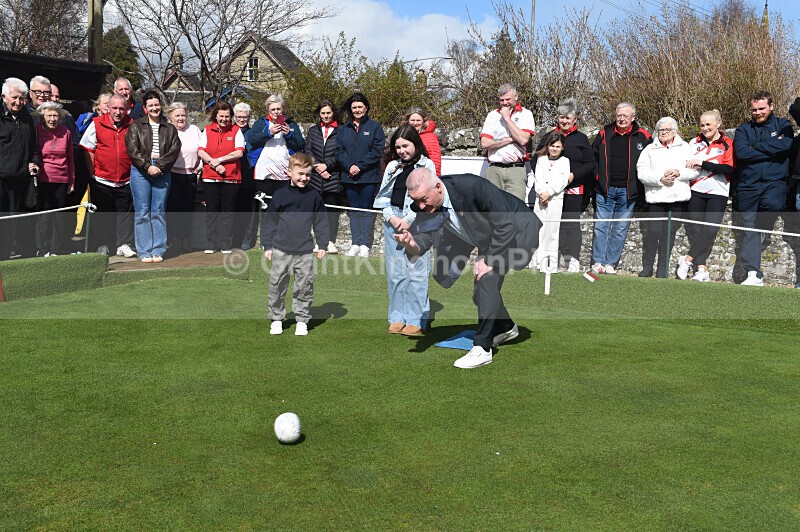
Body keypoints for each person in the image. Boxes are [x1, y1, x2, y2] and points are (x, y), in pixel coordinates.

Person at [395, 169, 541, 369]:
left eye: (423, 199)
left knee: (487, 279)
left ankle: (482, 348)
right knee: (480, 296)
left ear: (438, 187)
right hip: (489, 237)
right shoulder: (426, 203)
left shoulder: (472, 186)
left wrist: (489, 259)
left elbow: (506, 224)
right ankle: (507, 328)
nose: (420, 206)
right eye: (416, 201)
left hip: (517, 229)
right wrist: (410, 244)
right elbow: (423, 239)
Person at [373, 125, 435, 336]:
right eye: (398, 147)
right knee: (396, 272)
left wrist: (407, 220)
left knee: (416, 271)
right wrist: (392, 217)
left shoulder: (427, 165)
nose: (401, 151)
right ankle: (397, 316)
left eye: (405, 146)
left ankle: (416, 318)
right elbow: (383, 197)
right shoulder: (392, 166)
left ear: (416, 144)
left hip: (418, 222)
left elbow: (427, 198)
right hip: (393, 221)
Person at [264, 153, 329, 337]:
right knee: (277, 285)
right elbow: (270, 221)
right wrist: (267, 246)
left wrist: (322, 244)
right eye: (300, 174)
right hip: (280, 249)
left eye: (308, 174)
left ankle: (302, 320)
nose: (304, 178)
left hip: (305, 251)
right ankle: (276, 319)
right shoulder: (280, 195)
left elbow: (321, 222)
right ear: (289, 172)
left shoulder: (314, 196)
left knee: (304, 286)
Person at [733, 90, 794, 286]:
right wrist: (770, 148)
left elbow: (785, 146)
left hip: (774, 183)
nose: (758, 112)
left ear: (771, 106)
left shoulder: (783, 125)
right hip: (748, 185)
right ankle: (753, 274)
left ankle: (764, 230)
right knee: (749, 227)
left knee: (772, 206)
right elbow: (741, 154)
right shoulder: (743, 130)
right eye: (754, 109)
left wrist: (755, 148)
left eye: (761, 108)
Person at [533, 98, 596, 272]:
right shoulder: (549, 137)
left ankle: (573, 259)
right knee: (546, 224)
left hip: (572, 188)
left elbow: (590, 164)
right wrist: (544, 188)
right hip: (548, 193)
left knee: (570, 224)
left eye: (568, 118)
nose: (565, 121)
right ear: (557, 119)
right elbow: (536, 160)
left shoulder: (582, 139)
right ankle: (543, 258)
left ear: (574, 120)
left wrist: (573, 175)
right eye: (562, 117)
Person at [591, 102, 652, 274]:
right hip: (605, 189)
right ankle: (598, 262)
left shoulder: (643, 136)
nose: (622, 118)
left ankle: (610, 263)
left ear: (633, 117)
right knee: (601, 227)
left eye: (626, 115)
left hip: (628, 191)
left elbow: (652, 160)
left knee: (620, 228)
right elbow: (592, 157)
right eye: (619, 115)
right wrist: (598, 177)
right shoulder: (604, 133)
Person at [636, 117, 699, 278]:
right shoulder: (649, 149)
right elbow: (642, 172)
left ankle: (662, 269)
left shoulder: (685, 147)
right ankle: (647, 267)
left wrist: (679, 172)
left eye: (667, 130)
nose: (663, 133)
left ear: (675, 132)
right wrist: (659, 179)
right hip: (656, 198)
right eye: (660, 130)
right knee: (653, 232)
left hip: (677, 199)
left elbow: (694, 171)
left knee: (669, 234)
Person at [678, 110, 735, 282]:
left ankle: (687, 259)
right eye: (702, 125)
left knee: (710, 229)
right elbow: (686, 167)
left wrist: (702, 164)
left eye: (708, 124)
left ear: (718, 123)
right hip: (696, 191)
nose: (705, 128)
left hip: (718, 192)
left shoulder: (728, 143)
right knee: (697, 231)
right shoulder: (693, 143)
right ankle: (701, 269)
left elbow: (729, 169)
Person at [125, 90, 181, 263]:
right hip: (141, 171)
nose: (155, 108)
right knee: (142, 211)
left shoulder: (169, 128)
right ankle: (144, 250)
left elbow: (174, 150)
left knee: (158, 211)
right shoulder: (135, 126)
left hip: (162, 172)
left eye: (157, 105)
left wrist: (159, 167)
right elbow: (132, 149)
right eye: (151, 105)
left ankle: (158, 249)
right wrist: (147, 166)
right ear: (145, 108)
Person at [79, 94, 136, 257]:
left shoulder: (132, 125)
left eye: (121, 109)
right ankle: (103, 244)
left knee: (124, 214)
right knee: (103, 215)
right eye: (115, 108)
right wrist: (93, 173)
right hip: (101, 179)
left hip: (126, 179)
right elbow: (88, 149)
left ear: (127, 109)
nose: (118, 112)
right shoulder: (96, 124)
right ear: (108, 108)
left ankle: (123, 244)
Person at [335, 92, 385, 257]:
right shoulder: (343, 129)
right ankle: (355, 243)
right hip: (349, 176)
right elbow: (339, 150)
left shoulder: (375, 127)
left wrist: (360, 166)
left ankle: (365, 244)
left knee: (366, 209)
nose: (357, 110)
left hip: (369, 176)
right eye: (354, 107)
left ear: (366, 108)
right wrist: (349, 166)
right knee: (353, 210)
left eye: (360, 107)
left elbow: (377, 151)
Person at [197, 101, 245, 254]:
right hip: (210, 177)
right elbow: (201, 151)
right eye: (221, 116)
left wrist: (221, 160)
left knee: (227, 212)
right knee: (211, 211)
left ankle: (226, 244)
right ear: (215, 117)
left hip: (230, 178)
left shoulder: (236, 131)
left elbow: (239, 152)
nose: (224, 119)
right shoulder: (207, 130)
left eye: (227, 116)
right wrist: (214, 163)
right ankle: (211, 243)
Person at [0, 77, 39, 261]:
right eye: (14, 98)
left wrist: (34, 161)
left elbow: (33, 145)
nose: (18, 102)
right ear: (3, 96)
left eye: (22, 98)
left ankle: (6, 259)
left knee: (11, 223)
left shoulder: (26, 117)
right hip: (1, 179)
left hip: (19, 180)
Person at [479, 82, 536, 201]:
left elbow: (523, 139)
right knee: (493, 209)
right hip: (494, 169)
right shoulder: (492, 115)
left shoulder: (526, 114)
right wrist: (509, 140)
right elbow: (485, 143)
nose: (505, 103)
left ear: (516, 96)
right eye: (501, 100)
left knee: (515, 209)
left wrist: (507, 119)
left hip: (516, 169)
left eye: (508, 99)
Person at [246, 95, 305, 204]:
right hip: (263, 170)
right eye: (273, 109)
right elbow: (252, 140)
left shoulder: (291, 124)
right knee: (265, 204)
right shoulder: (261, 122)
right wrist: (269, 133)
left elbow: (300, 144)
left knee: (282, 203)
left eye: (278, 109)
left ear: (283, 109)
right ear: (268, 110)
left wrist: (289, 135)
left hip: (284, 170)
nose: (276, 112)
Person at [35, 102, 75, 256]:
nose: (52, 119)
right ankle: (43, 248)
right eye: (49, 115)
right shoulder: (37, 131)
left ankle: (56, 248)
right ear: (43, 117)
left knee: (59, 216)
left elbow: (70, 158)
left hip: (61, 178)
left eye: (55, 115)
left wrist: (71, 180)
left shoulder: (66, 132)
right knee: (44, 214)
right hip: (43, 178)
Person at [306, 99, 343, 254]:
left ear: (333, 112)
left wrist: (327, 165)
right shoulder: (313, 130)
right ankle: (318, 241)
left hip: (333, 177)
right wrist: (318, 167)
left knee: (331, 212)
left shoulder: (341, 130)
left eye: (328, 112)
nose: (326, 116)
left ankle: (330, 241)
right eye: (323, 113)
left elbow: (341, 152)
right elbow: (308, 149)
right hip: (315, 177)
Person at [530, 133, 571, 273]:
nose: (554, 149)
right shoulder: (541, 160)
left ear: (562, 148)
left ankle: (549, 264)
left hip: (555, 199)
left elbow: (562, 180)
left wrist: (549, 192)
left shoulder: (565, 161)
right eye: (552, 146)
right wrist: (542, 193)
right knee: (538, 230)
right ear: (548, 146)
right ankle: (535, 262)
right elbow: (538, 177)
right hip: (540, 199)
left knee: (552, 232)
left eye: (557, 146)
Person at [165, 102, 202, 253]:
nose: (181, 118)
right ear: (170, 117)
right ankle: (173, 239)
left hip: (190, 175)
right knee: (173, 210)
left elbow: (202, 149)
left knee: (187, 210)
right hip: (172, 174)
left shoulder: (193, 130)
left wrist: (199, 167)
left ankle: (185, 239)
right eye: (177, 115)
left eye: (183, 115)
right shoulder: (167, 130)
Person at [232, 102, 258, 250]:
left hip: (248, 175)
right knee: (233, 208)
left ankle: (247, 239)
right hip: (232, 175)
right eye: (239, 117)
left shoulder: (252, 133)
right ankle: (234, 238)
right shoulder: (230, 131)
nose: (242, 120)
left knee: (249, 209)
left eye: (245, 117)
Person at [403, 107, 441, 176]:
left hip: (423, 176)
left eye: (418, 120)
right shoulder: (403, 135)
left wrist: (434, 179)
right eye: (412, 120)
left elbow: (435, 160)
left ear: (424, 121)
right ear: (407, 121)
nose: (415, 123)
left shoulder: (430, 137)